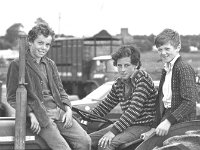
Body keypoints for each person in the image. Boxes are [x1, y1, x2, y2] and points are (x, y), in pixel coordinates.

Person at [6, 24, 91, 150]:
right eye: (40, 43)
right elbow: (12, 97)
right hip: (40, 116)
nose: (44, 48)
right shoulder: (17, 64)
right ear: (30, 42)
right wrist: (30, 115)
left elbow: (60, 90)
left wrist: (68, 109)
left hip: (59, 113)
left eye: (47, 44)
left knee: (85, 142)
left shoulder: (50, 64)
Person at [89, 45, 158, 150]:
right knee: (87, 140)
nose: (122, 70)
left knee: (105, 145)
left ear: (136, 64)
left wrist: (113, 132)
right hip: (127, 126)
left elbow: (133, 111)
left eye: (126, 65)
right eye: (119, 66)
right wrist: (85, 118)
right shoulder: (119, 83)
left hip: (143, 126)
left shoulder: (142, 79)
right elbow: (105, 106)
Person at [142, 28, 199, 139]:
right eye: (160, 49)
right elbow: (161, 102)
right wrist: (154, 128)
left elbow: (190, 101)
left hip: (182, 123)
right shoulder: (167, 69)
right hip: (168, 117)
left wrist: (168, 122)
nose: (163, 53)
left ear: (178, 47)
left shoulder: (183, 68)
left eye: (167, 48)